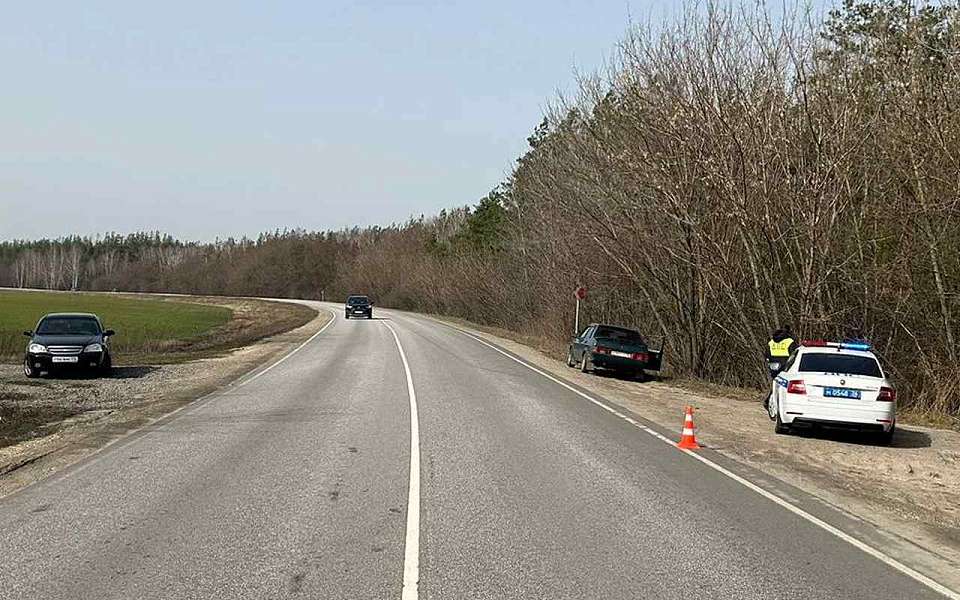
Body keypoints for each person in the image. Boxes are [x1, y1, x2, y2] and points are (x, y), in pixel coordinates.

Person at [763, 326, 797, 409]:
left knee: (776, 383)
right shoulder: (790, 341)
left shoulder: (771, 342)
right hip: (785, 365)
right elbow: (794, 354)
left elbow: (767, 354)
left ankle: (770, 401)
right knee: (784, 385)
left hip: (773, 365)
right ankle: (772, 402)